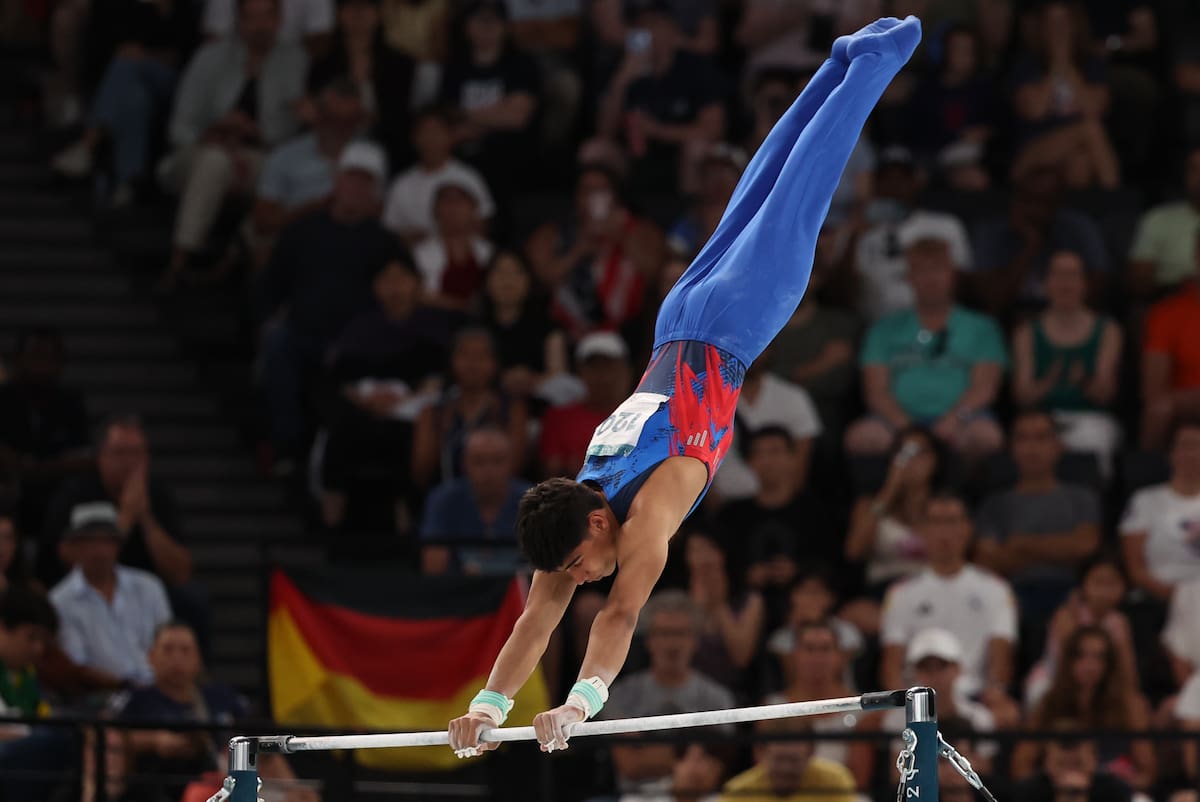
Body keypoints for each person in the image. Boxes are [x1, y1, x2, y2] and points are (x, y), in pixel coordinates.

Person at [446, 17, 923, 757]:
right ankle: (836, 64)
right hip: (681, 316)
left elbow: (620, 619)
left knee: (800, 184)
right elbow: (532, 622)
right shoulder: (572, 512)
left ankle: (881, 57)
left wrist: (578, 707)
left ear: (599, 527)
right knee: (763, 179)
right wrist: (486, 707)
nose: (579, 583)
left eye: (576, 567)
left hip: (730, 323)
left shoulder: (647, 514)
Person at [158, 0, 308, 289]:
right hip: (199, 154)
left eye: (267, 17)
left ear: (279, 19)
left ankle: (236, 256)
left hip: (261, 155)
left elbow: (291, 138)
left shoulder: (296, 61)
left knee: (284, 178)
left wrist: (256, 132)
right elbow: (179, 127)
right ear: (239, 22)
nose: (260, 27)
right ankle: (181, 258)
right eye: (252, 19)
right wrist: (215, 129)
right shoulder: (209, 57)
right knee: (215, 161)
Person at [110, 621, 317, 802]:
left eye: (185, 650)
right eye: (168, 650)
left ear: (198, 659)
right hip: (170, 785)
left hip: (230, 775)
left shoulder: (220, 696)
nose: (177, 659)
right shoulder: (137, 699)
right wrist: (154, 741)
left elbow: (255, 734)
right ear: (151, 657)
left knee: (293, 784)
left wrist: (292, 786)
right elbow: (104, 737)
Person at [845, 229, 1007, 460]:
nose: (931, 278)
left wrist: (953, 420)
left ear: (953, 274)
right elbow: (876, 392)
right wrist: (908, 428)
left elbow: (984, 388)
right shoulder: (883, 330)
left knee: (985, 437)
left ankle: (955, 496)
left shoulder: (982, 328)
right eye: (923, 270)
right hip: (896, 422)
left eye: (939, 269)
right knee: (863, 437)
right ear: (909, 277)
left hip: (963, 420)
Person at [879, 491, 1017, 698]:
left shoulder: (996, 589)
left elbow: (1001, 660)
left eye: (952, 521)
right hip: (917, 700)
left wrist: (994, 695)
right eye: (936, 522)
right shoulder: (901, 593)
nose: (944, 532)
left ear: (967, 528)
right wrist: (903, 704)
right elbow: (892, 663)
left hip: (973, 697)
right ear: (923, 530)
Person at [600, 591, 735, 797]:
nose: (672, 643)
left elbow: (716, 767)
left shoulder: (717, 697)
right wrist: (690, 751)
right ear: (649, 640)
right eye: (664, 633)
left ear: (695, 640)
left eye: (681, 633)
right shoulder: (620, 696)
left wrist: (653, 753)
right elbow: (630, 766)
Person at [974, 410, 1103, 620]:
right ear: (1012, 448)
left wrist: (1021, 544)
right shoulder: (994, 504)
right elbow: (987, 560)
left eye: (1041, 438)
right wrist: (1060, 551)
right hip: (1011, 593)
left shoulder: (1081, 497)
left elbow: (1085, 546)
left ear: (1058, 446)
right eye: (1023, 439)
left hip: (1069, 591)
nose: (1032, 448)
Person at [1011, 250, 1123, 474]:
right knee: (1032, 441)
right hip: (1042, 419)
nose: (1065, 283)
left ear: (1085, 284)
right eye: (1058, 275)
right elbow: (1022, 397)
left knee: (1095, 438)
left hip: (1089, 418)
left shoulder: (1108, 330)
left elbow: (1105, 395)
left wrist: (1082, 380)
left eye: (1072, 275)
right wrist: (1049, 381)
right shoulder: (1026, 333)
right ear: (1045, 284)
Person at [1011, 626, 1155, 791]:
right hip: (1058, 792)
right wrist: (1047, 786)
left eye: (1099, 657)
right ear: (1069, 661)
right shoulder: (1049, 703)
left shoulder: (1130, 706)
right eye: (1082, 656)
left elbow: (1147, 771)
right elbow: (1021, 764)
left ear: (1109, 664)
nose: (1090, 665)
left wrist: (1116, 788)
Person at [48, 502, 172, 686]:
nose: (100, 551)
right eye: (91, 541)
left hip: (160, 689)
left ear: (118, 545)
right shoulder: (60, 601)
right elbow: (77, 666)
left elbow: (169, 642)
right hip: (102, 697)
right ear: (76, 546)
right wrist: (124, 687)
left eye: (107, 541)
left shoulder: (149, 587)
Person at [0, 328, 91, 537]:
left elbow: (82, 455)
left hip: (56, 489)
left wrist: (40, 469)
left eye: (48, 358)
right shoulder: (3, 399)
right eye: (35, 356)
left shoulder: (70, 402)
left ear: (60, 364)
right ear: (18, 359)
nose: (40, 366)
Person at [1025, 554, 1138, 709]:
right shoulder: (1066, 617)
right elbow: (1067, 667)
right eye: (1098, 583)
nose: (1105, 592)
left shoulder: (1119, 622)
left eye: (1112, 584)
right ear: (1083, 586)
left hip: (1101, 683)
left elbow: (1128, 674)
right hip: (1055, 681)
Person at [420, 428, 531, 576]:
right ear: (464, 465)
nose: (488, 471)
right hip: (459, 590)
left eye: (498, 461)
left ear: (512, 463)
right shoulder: (444, 500)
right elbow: (433, 567)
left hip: (519, 592)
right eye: (478, 461)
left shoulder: (532, 501)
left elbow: (546, 566)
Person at [844, 427, 941, 596]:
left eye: (920, 452)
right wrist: (890, 489)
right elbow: (854, 551)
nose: (912, 460)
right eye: (904, 453)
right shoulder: (870, 504)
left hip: (933, 586)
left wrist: (916, 497)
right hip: (885, 589)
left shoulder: (945, 506)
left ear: (934, 460)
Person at [382, 106, 495, 245]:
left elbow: (481, 226)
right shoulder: (402, 183)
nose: (431, 138)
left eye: (437, 131)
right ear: (414, 137)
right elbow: (390, 231)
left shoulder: (468, 177)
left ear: (451, 136)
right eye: (425, 131)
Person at [1119, 418, 1200, 601]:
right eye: (1186, 445)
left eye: (1198, 446)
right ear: (1171, 453)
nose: (1193, 453)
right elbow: (1136, 568)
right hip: (1157, 598)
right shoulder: (1144, 500)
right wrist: (1177, 597)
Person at [539, 332, 632, 479]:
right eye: (594, 368)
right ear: (581, 372)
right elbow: (553, 471)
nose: (601, 376)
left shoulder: (640, 417)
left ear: (625, 371)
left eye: (608, 367)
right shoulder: (559, 418)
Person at [717, 717, 858, 802]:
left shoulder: (835, 780)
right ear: (760, 753)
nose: (786, 768)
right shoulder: (738, 792)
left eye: (794, 760)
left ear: (811, 753)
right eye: (779, 759)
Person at [1141, 252, 1200, 450]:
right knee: (1159, 409)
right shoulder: (1168, 313)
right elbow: (1154, 390)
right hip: (1184, 403)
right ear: (1197, 256)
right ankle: (1148, 473)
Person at [1127, 145, 1200, 297]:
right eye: (1193, 169)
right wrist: (1180, 286)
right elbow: (1138, 281)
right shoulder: (1157, 219)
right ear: (1185, 175)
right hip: (1170, 301)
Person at [1011, 721, 1135, 802]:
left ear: (1094, 760)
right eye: (1061, 764)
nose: (1070, 773)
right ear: (1046, 762)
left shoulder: (1114, 791)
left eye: (1077, 764)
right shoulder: (1028, 793)